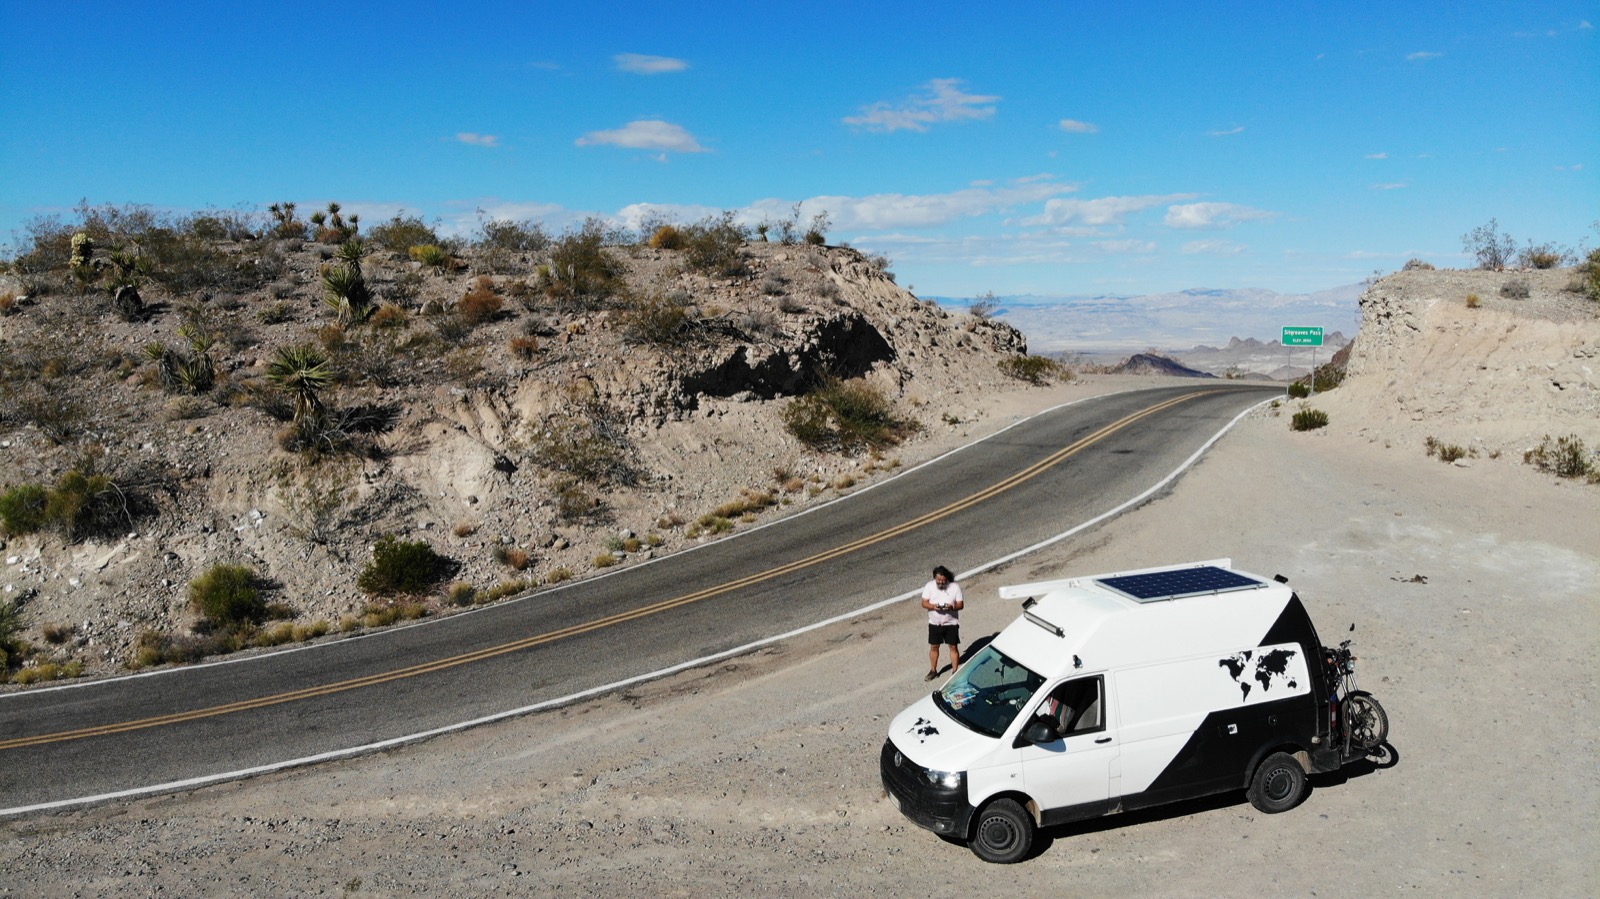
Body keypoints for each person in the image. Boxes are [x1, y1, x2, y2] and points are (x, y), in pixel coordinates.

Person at [921, 565, 964, 681]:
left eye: (942, 580)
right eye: (938, 580)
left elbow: (961, 605)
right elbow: (924, 603)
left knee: (953, 647)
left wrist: (952, 607)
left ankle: (955, 671)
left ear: (947, 579)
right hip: (935, 623)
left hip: (951, 623)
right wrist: (933, 606)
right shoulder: (929, 586)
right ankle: (933, 670)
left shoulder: (955, 587)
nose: (940, 583)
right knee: (934, 647)